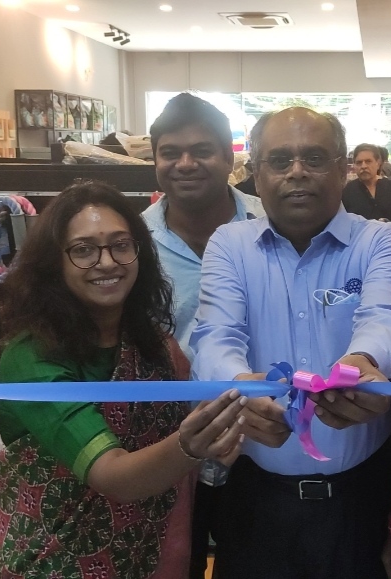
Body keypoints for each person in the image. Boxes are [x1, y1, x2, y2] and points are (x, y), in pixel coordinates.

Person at [190, 107, 391, 579]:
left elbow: (386, 318)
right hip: (254, 501)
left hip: (362, 501)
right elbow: (215, 335)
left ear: (342, 167)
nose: (297, 172)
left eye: (314, 157)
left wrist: (362, 362)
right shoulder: (229, 245)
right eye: (279, 160)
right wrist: (240, 389)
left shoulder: (382, 242)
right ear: (255, 173)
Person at [0, 181, 247, 579]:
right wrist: (192, 446)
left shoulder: (155, 346)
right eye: (83, 250)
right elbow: (114, 477)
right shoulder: (32, 357)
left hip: (150, 557)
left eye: (120, 245)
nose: (107, 262)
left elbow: (190, 428)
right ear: (53, 263)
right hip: (54, 563)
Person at [143, 92, 265, 579]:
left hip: (259, 441)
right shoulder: (132, 242)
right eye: (170, 152)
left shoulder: (272, 222)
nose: (185, 164)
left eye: (202, 150)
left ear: (229, 157)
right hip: (167, 447)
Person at [342, 143, 391, 227]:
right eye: (359, 162)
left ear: (378, 163)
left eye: (368, 161)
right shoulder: (347, 191)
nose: (363, 166)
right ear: (354, 165)